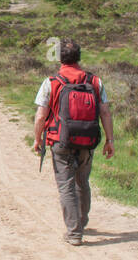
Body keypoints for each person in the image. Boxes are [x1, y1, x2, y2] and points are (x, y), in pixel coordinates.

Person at [31, 39, 114, 245]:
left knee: (66, 185)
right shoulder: (95, 81)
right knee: (82, 182)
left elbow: (41, 115)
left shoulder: (52, 82)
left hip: (60, 140)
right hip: (87, 139)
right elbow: (105, 111)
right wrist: (110, 140)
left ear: (60, 58)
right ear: (79, 57)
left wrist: (37, 138)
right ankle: (81, 222)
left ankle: (74, 232)